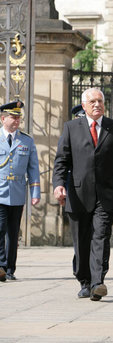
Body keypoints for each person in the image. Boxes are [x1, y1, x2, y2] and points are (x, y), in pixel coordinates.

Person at [53, 88, 113, 301]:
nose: (97, 105)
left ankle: (98, 282)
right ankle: (84, 280)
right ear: (84, 105)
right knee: (81, 241)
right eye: (93, 101)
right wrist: (58, 185)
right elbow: (62, 160)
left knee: (101, 236)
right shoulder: (71, 128)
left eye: (100, 101)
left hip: (106, 195)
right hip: (78, 194)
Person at [0, 101, 40, 282]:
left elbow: (33, 168)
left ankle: (9, 268)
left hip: (17, 192)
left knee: (13, 232)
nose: (16, 121)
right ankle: (0, 265)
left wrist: (35, 192)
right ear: (3, 119)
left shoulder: (26, 140)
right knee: (0, 229)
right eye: (12, 117)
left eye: (18, 118)